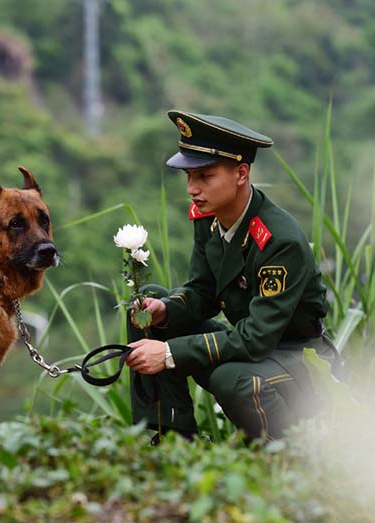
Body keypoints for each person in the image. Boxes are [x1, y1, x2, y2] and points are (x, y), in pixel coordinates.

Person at [125, 110, 340, 444]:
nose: (192, 189)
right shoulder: (208, 217)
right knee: (149, 307)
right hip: (254, 348)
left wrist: (167, 353)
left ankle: (283, 453)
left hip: (299, 359)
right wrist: (165, 311)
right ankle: (172, 439)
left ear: (241, 173)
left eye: (205, 176)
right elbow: (203, 292)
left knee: (231, 379)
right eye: (189, 177)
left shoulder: (279, 240)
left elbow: (256, 339)